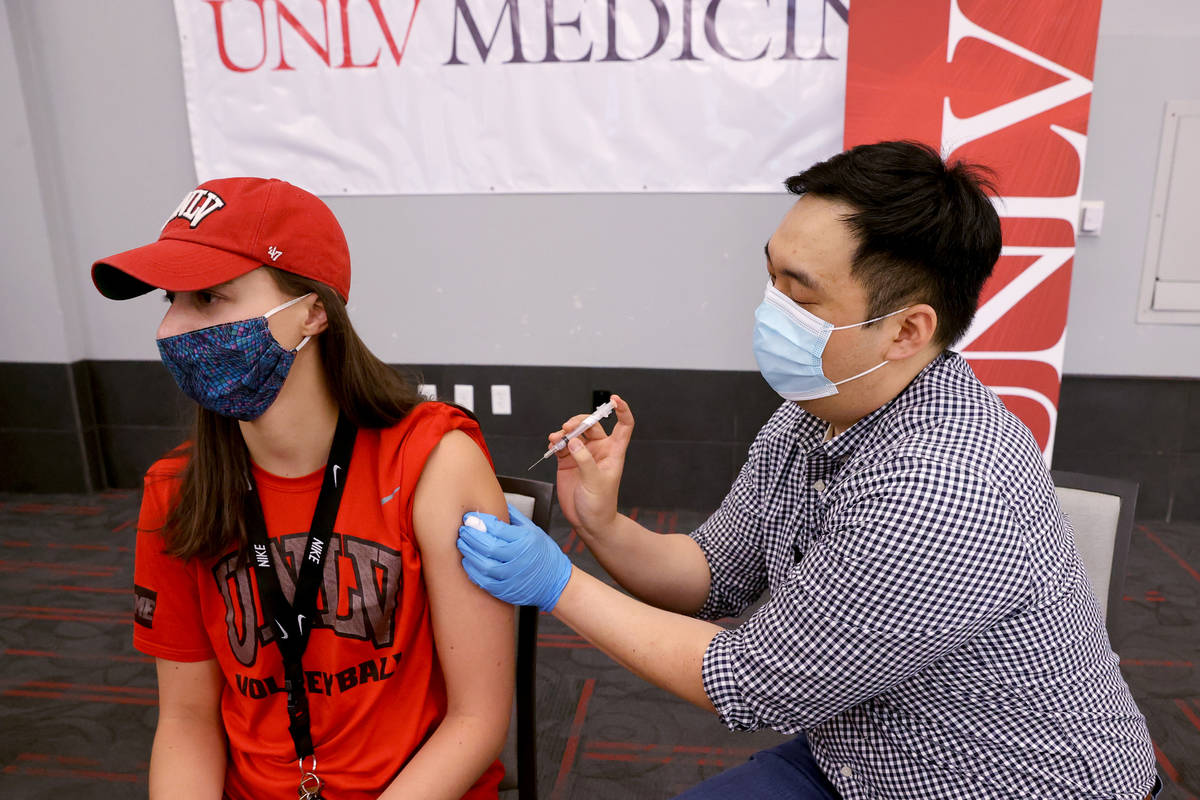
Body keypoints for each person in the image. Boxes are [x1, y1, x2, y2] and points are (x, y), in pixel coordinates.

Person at [457, 141, 1161, 800]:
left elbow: (750, 681)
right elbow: (711, 575)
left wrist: (556, 583)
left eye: (801, 294)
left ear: (907, 331)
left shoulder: (941, 484)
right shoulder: (813, 412)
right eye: (770, 278)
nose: (771, 311)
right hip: (859, 756)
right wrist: (601, 523)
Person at [91, 177, 513, 800]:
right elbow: (185, 720)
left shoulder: (432, 462)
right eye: (169, 300)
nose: (173, 329)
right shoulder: (177, 491)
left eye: (209, 298)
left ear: (313, 311)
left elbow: (477, 721)